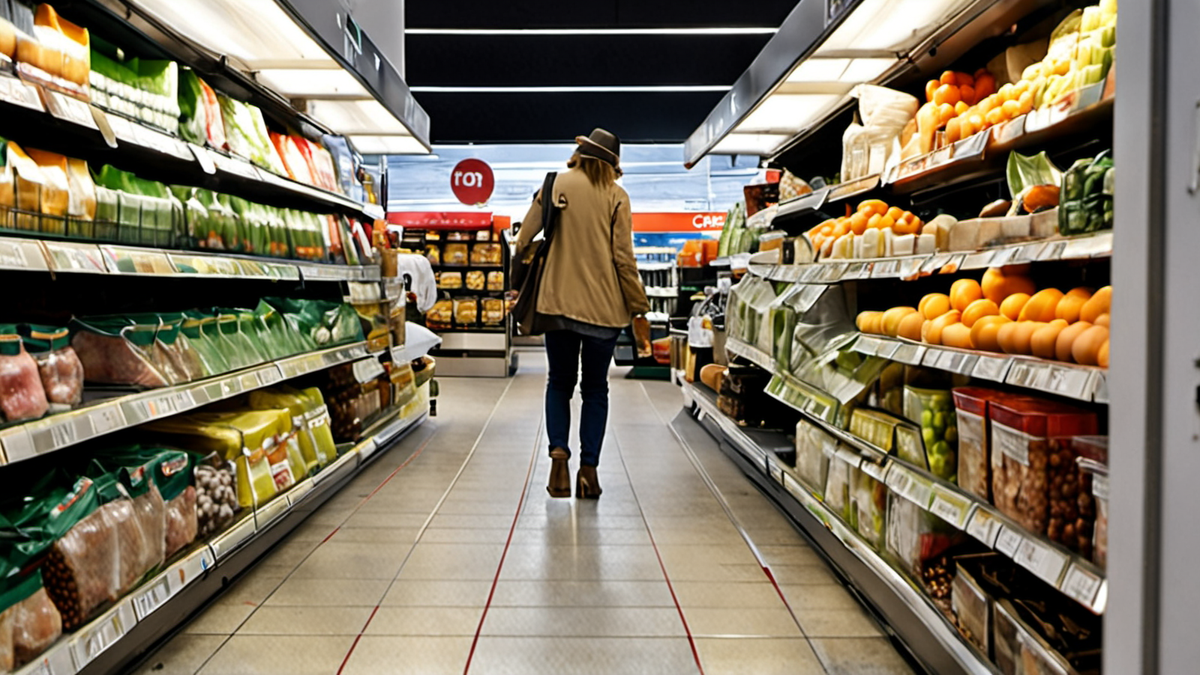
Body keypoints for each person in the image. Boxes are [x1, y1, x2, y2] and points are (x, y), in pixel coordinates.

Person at [515, 128, 650, 500]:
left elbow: (524, 239)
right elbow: (624, 260)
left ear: (581, 154)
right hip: (604, 313)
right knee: (595, 389)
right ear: (613, 166)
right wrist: (638, 308)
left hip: (556, 304)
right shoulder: (617, 197)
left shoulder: (554, 185)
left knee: (559, 381)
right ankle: (588, 472)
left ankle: (559, 460)